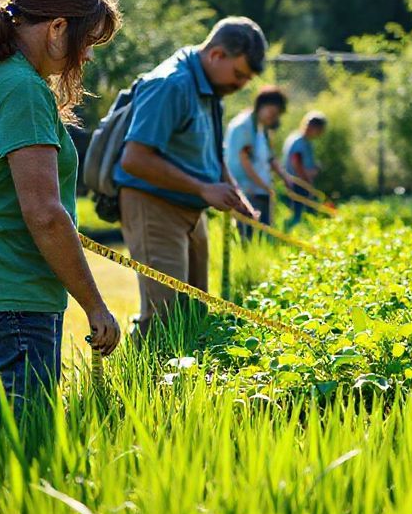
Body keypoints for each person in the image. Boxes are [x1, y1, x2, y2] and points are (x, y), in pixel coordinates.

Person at [0, 0, 122, 411]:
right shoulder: (20, 89)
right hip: (15, 299)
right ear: (58, 27)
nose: (86, 57)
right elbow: (44, 213)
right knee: (28, 449)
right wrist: (95, 305)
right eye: (88, 42)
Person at [114, 17, 266, 339]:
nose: (240, 85)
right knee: (164, 317)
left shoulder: (210, 90)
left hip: (191, 207)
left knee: (194, 312)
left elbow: (211, 152)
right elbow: (135, 159)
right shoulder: (171, 84)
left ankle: (186, 379)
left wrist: (234, 194)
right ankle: (146, 384)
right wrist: (203, 188)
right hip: (153, 205)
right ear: (216, 55)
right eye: (238, 74)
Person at [225, 86, 292, 236]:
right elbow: (245, 162)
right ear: (261, 105)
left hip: (259, 188)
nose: (273, 118)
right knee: (247, 233)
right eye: (272, 113)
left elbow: (270, 157)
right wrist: (265, 186)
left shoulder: (262, 128)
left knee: (263, 233)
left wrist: (284, 177)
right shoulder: (243, 127)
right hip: (246, 189)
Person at [283, 111, 327, 230]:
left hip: (301, 183)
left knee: (303, 215)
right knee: (298, 215)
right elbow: (296, 164)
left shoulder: (305, 141)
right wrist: (308, 183)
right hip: (298, 184)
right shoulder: (298, 141)